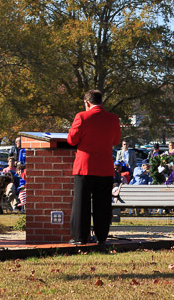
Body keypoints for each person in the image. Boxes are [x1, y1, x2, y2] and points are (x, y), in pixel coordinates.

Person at [66, 89, 122, 246]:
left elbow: (72, 139)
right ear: (101, 102)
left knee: (81, 203)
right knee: (103, 204)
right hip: (104, 167)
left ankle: (80, 237)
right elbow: (116, 140)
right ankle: (101, 236)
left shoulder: (81, 117)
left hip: (85, 166)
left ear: (87, 102)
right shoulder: (113, 119)